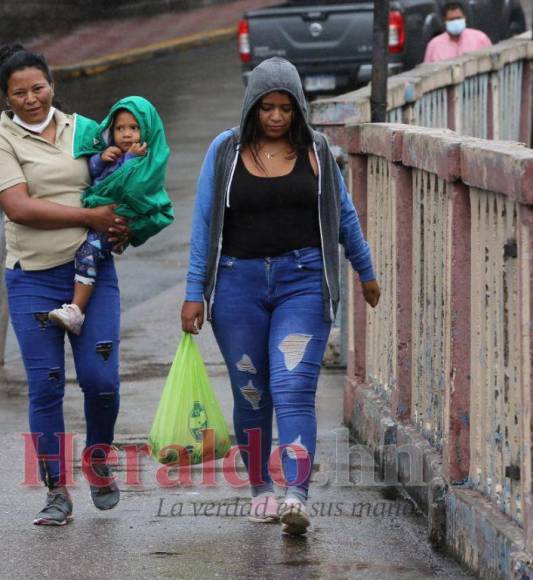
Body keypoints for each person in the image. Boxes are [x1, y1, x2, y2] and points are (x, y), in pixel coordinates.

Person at [181, 57, 381, 536]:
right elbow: (205, 224)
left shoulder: (316, 151)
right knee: (252, 394)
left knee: (293, 389)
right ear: (252, 107)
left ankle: (296, 494)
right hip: (235, 287)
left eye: (285, 108)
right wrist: (194, 292)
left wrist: (366, 270)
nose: (275, 117)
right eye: (267, 107)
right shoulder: (225, 151)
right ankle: (260, 489)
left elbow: (344, 216)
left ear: (298, 110)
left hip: (303, 282)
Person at [0, 43, 130, 526]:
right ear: (6, 96)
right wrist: (89, 215)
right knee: (45, 385)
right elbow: (18, 208)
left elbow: (113, 182)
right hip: (33, 282)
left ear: (52, 84)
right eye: (19, 92)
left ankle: (99, 459)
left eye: (38, 87)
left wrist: (122, 225)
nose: (31, 99)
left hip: (93, 275)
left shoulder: (84, 130)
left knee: (101, 380)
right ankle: (56, 490)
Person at [48, 96, 173, 335]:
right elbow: (94, 176)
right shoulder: (111, 153)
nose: (127, 134)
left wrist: (129, 161)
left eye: (134, 128)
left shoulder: (147, 161)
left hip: (115, 221)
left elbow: (132, 189)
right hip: (96, 217)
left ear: (147, 130)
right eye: (120, 128)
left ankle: (76, 309)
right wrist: (99, 159)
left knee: (88, 252)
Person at [424, 2, 491, 63]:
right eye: (451, 19)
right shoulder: (434, 46)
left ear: (464, 17)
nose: (455, 22)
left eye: (458, 18)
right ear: (445, 20)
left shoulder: (480, 39)